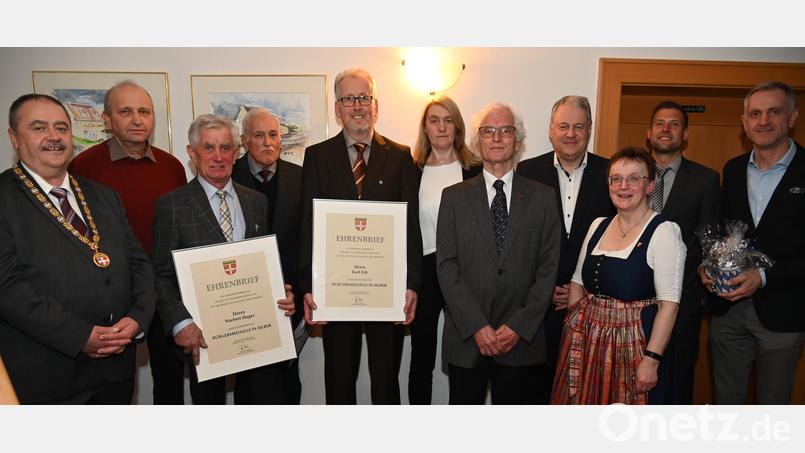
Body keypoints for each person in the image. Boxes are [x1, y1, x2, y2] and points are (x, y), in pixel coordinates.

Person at [0, 93, 156, 403]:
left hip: (116, 371)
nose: (54, 137)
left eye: (61, 127)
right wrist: (80, 336)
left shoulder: (104, 196)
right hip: (47, 378)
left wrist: (138, 318)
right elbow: (6, 287)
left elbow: (139, 264)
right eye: (39, 127)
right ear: (14, 138)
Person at [151, 114, 295, 404]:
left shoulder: (256, 201)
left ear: (236, 151)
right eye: (208, 148)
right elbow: (160, 274)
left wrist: (281, 293)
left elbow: (261, 264)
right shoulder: (172, 205)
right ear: (192, 153)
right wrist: (180, 323)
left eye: (226, 148)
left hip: (257, 333)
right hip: (203, 338)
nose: (218, 157)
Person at [299, 67, 423, 404]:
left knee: (386, 381)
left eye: (364, 97)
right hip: (336, 292)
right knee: (339, 380)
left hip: (386, 291)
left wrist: (411, 284)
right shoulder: (317, 157)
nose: (358, 106)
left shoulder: (399, 156)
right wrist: (309, 287)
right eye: (349, 99)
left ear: (376, 105)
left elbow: (410, 225)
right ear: (337, 108)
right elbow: (308, 226)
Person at [68, 81, 188, 404]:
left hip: (165, 291)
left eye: (144, 111)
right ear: (107, 120)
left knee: (171, 381)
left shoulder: (173, 167)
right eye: (126, 111)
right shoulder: (82, 168)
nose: (137, 119)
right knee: (115, 388)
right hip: (113, 295)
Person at [437, 102, 560, 404]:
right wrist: (477, 326)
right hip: (468, 338)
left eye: (505, 131)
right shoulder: (453, 198)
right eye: (488, 131)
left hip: (520, 342)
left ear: (518, 142)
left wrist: (517, 326)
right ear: (477, 142)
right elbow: (447, 267)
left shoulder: (543, 198)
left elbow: (548, 269)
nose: (497, 137)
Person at [552, 147, 685, 404]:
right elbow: (578, 281)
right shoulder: (598, 225)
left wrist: (651, 359)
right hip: (588, 342)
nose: (624, 186)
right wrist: (573, 328)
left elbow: (669, 306)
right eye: (616, 178)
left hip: (633, 345)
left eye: (635, 178)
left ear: (650, 186)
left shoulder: (664, 231)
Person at [702, 81, 805, 404]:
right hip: (728, 309)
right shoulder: (732, 170)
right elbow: (724, 231)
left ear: (792, 117)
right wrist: (708, 265)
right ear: (744, 123)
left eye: (774, 112)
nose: (763, 121)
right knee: (726, 402)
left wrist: (762, 276)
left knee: (772, 406)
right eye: (755, 114)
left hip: (783, 312)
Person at [516, 95, 614, 403]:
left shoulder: (612, 174)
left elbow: (620, 235)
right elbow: (518, 240)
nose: (570, 134)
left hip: (593, 305)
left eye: (578, 126)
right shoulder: (525, 172)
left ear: (589, 130)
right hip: (536, 309)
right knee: (534, 393)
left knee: (582, 394)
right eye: (563, 126)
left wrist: (580, 288)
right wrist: (544, 290)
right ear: (550, 130)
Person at [645, 100, 721, 404]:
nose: (666, 129)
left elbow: (709, 243)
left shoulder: (706, 180)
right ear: (648, 132)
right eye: (660, 123)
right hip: (628, 301)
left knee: (675, 384)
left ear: (685, 134)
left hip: (681, 303)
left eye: (674, 124)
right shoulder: (629, 175)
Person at [408, 95, 481, 404]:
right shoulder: (411, 170)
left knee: (463, 356)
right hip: (424, 271)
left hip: (464, 273)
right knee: (421, 355)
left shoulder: (475, 169)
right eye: (434, 120)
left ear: (458, 127)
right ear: (425, 128)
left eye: (448, 120)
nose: (441, 127)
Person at [232, 107, 303, 404]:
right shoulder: (228, 174)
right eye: (259, 135)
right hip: (243, 300)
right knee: (249, 384)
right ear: (245, 140)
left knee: (287, 379)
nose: (267, 142)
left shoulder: (300, 177)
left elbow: (306, 239)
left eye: (273, 135)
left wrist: (300, 290)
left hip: (289, 298)